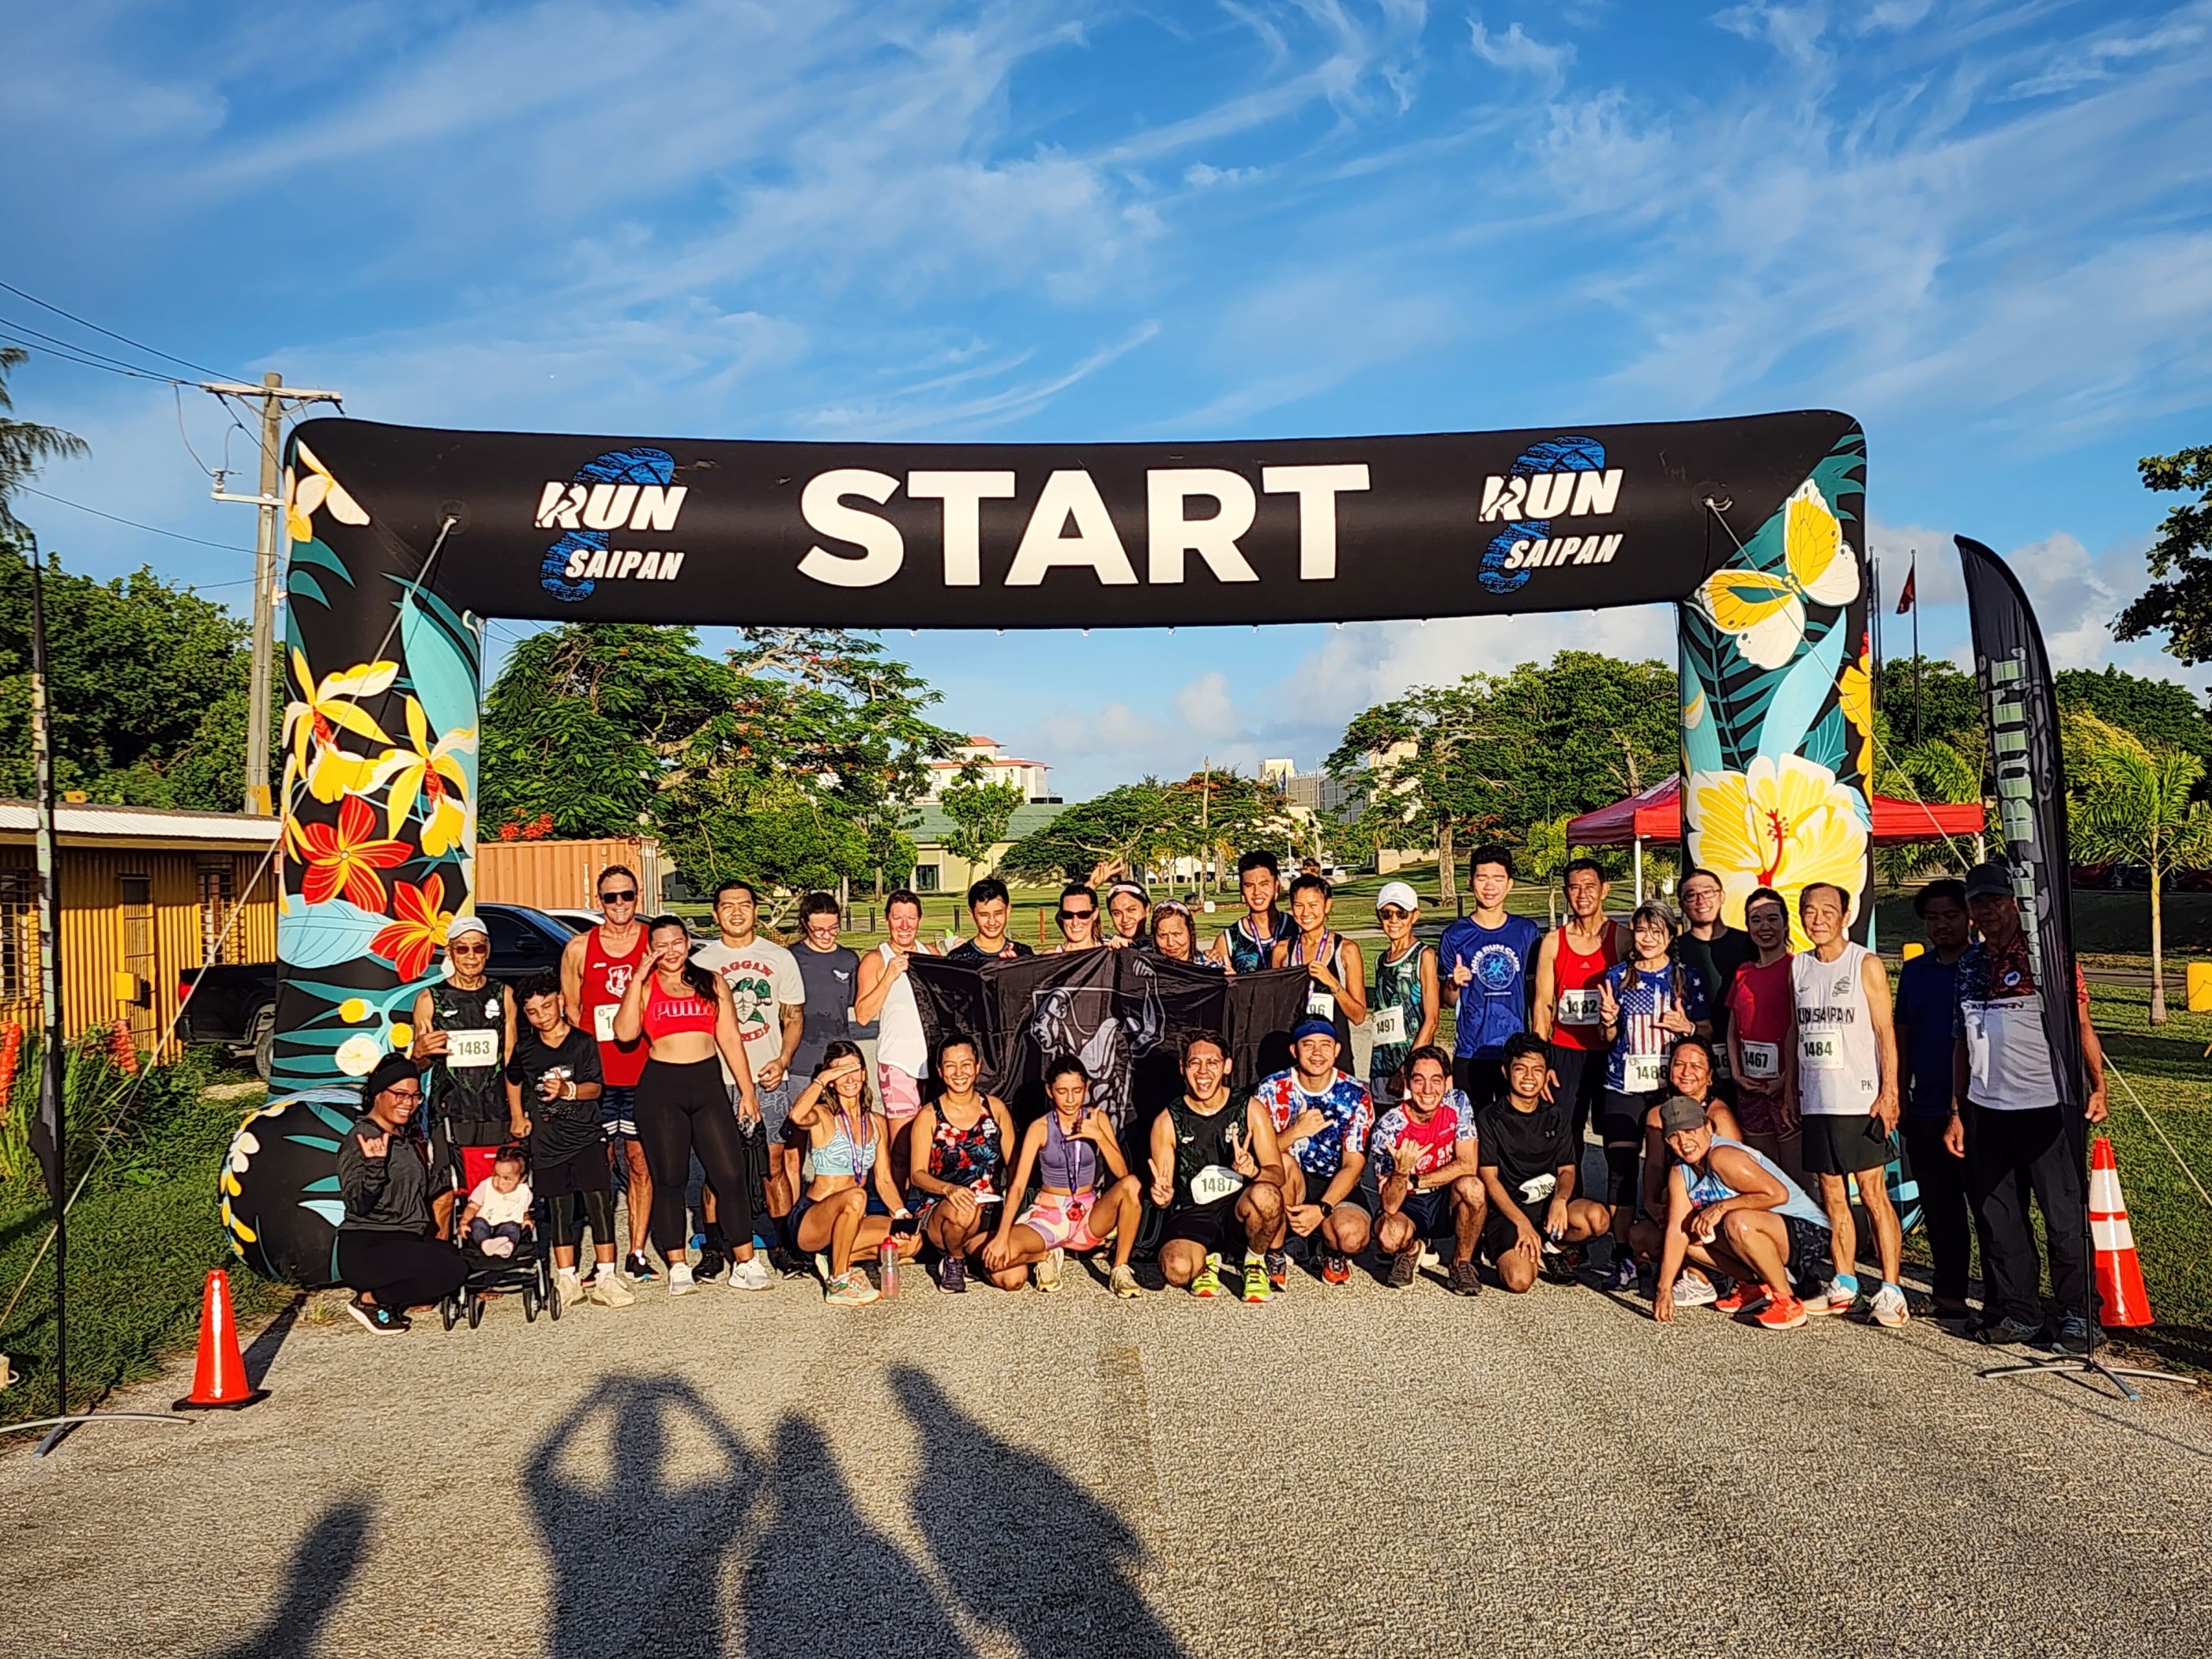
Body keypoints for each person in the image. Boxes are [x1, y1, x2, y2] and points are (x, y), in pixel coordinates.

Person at [1947, 861, 2109, 1352]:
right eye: (1978, 903)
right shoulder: (1970, 963)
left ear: (2014, 903)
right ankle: (2019, 1312)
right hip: (1986, 1107)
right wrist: (1958, 1110)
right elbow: (1962, 1040)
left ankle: (2080, 1316)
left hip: (2047, 1104)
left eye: (1996, 901)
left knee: (2063, 1217)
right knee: (2000, 1219)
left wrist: (2096, 1085)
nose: (1987, 911)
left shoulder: (2050, 958)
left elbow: (2081, 1026)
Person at [611, 914, 774, 1295]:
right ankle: (678, 1264)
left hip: (707, 1084)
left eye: (677, 943)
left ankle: (745, 1261)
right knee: (671, 1179)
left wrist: (747, 1092)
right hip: (662, 1088)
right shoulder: (647, 985)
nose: (670, 951)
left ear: (688, 943)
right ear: (651, 948)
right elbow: (625, 1033)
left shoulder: (710, 981)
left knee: (730, 1174)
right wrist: (637, 977)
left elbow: (730, 1038)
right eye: (661, 945)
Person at [1788, 881, 1907, 1326]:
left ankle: (1892, 1289)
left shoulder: (1865, 964)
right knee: (1832, 1194)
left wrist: (1889, 1091)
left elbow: (1884, 1032)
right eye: (1808, 912)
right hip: (1818, 1099)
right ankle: (1846, 1281)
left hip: (1860, 1099)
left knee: (1873, 1194)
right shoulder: (1798, 967)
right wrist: (1789, 1086)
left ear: (1845, 914)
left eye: (1826, 911)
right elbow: (1797, 1031)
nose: (1816, 920)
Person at [1593, 901, 1710, 1290]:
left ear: (1671, 936)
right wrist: (1607, 1022)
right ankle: (1623, 1254)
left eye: (1657, 932)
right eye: (1641, 931)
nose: (1648, 939)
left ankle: (1673, 1252)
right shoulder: (1616, 977)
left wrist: (1688, 1025)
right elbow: (1605, 1039)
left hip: (1667, 1090)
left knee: (1666, 1170)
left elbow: (1707, 1030)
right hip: (1622, 1086)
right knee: (1621, 1170)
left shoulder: (1684, 978)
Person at [691, 879, 805, 1268]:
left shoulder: (779, 958)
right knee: (717, 1167)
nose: (737, 912)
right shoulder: (701, 962)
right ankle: (713, 1246)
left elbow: (793, 1016)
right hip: (716, 1080)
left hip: (767, 1077)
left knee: (773, 1164)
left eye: (744, 904)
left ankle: (783, 1244)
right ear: (715, 913)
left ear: (756, 910)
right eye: (727, 905)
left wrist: (783, 1059)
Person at [1650, 1095, 1833, 1332]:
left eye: (1690, 1131)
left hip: (1806, 1230)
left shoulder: (1722, 1155)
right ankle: (1755, 1286)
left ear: (1707, 1126)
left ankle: (1787, 1301)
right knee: (1689, 1234)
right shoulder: (1680, 1171)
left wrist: (1722, 1207)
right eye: (1675, 1136)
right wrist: (1664, 1290)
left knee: (1737, 1221)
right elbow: (1677, 1231)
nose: (1684, 1142)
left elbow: (1778, 1195)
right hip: (1763, 1232)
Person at [506, 969, 632, 1311]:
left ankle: (607, 1276)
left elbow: (596, 1088)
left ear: (560, 1001)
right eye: (533, 1012)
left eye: (547, 1007)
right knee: (558, 1210)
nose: (542, 1016)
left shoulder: (582, 1042)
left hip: (586, 1136)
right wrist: (518, 1115)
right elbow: (513, 1077)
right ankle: (567, 1278)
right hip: (547, 1141)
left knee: (598, 1205)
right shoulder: (527, 1048)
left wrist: (568, 1090)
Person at [560, 863, 656, 1280]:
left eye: (627, 895)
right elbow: (570, 1010)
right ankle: (603, 1260)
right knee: (599, 1164)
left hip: (643, 1070)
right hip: (596, 1076)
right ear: (599, 902)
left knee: (640, 1162)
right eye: (611, 897)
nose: (620, 904)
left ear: (638, 897)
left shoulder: (653, 943)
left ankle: (637, 1252)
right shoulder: (579, 948)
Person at [984, 1056, 1146, 1296]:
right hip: (1050, 1216)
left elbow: (1123, 1175)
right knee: (1000, 1270)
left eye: (1077, 1091)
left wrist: (1098, 1136)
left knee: (1132, 1184)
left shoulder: (1097, 1119)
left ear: (1087, 1088)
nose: (1070, 1099)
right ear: (1050, 1091)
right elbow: (1017, 1186)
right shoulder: (1039, 1128)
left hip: (1089, 1215)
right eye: (1062, 1091)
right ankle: (1047, 1254)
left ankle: (1120, 1268)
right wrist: (1002, 1235)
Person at [1149, 1029, 1285, 1302]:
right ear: (1182, 1068)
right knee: (1175, 1269)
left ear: (1227, 1066)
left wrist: (1254, 1172)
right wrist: (1161, 1198)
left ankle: (1255, 1261)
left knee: (1268, 1196)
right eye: (1194, 1063)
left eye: (1212, 1063)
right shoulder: (1168, 1120)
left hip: (1239, 1210)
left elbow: (1278, 1174)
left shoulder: (1250, 1109)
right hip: (1193, 1213)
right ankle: (1207, 1259)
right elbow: (1163, 1193)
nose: (1203, 1071)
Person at [336, 1055, 466, 1334]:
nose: (408, 1103)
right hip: (368, 1246)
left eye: (415, 1096)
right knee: (452, 1269)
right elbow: (357, 1203)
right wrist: (374, 1167)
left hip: (403, 1239)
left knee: (454, 1255)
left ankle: (387, 1302)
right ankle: (370, 1300)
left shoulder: (405, 1137)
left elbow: (415, 1189)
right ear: (378, 1095)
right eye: (400, 1095)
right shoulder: (363, 1138)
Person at [1895, 878, 1974, 1320]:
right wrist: (1899, 1092)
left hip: (1977, 1108)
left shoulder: (1982, 967)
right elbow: (1902, 1034)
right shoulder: (1916, 971)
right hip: (1924, 1105)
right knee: (1940, 1206)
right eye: (1933, 918)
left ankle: (2006, 1298)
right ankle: (1949, 1294)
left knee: (1989, 1207)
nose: (1941, 925)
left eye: (1950, 916)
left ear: (1968, 918)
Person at [1477, 1034, 1612, 1293]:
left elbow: (1567, 1170)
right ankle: (1502, 1247)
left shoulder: (1556, 1116)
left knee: (1598, 1219)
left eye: (1537, 1070)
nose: (1529, 1076)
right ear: (1506, 1072)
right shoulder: (1490, 1117)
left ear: (1547, 1074)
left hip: (1548, 1208)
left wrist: (1561, 1199)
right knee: (1519, 1280)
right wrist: (1523, 1224)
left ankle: (1551, 1249)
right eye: (1521, 1069)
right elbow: (1489, 1179)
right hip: (1510, 1211)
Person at [785, 1043, 916, 1307]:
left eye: (854, 1069)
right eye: (840, 1071)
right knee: (857, 1196)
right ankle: (839, 1280)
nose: (849, 1078)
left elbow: (884, 1179)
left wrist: (902, 1214)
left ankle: (833, 1258)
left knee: (911, 1242)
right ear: (831, 1080)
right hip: (814, 1216)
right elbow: (797, 1116)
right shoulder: (823, 1115)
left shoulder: (876, 1122)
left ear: (865, 1073)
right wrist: (822, 1079)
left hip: (852, 1217)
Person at [408, 913, 515, 1228]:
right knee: (444, 1191)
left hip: (496, 1108)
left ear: (488, 950)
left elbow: (511, 1058)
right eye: (463, 949)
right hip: (450, 1109)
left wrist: (519, 1111)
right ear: (450, 953)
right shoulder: (430, 999)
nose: (471, 957)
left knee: (502, 1185)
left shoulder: (503, 994)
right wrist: (419, 1053)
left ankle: (498, 1252)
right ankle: (443, 1264)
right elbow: (419, 1063)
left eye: (478, 949)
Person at [1251, 1018, 1374, 1285]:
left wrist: (1322, 1209)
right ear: (1294, 1051)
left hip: (1334, 1181)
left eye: (1325, 1045)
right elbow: (1260, 1155)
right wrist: (1295, 1132)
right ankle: (1275, 1251)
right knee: (1281, 1162)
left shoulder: (1355, 1094)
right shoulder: (1271, 1089)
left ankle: (1329, 1248)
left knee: (1352, 1236)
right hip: (1291, 1180)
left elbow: (1353, 1165)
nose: (1317, 1053)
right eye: (1308, 1045)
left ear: (1337, 1050)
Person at [1626, 1036, 1744, 1304]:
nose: (1687, 1072)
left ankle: (1713, 1274)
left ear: (1710, 1076)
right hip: (1675, 1200)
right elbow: (1654, 1164)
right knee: (1641, 1237)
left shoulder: (1718, 1116)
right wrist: (1651, 1204)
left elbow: (1736, 1177)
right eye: (1679, 1064)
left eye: (1696, 1066)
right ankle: (1688, 1270)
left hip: (1717, 1207)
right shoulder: (1657, 1114)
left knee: (1681, 1212)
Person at [1370, 1046, 1485, 1293]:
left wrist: (1416, 1180)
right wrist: (1401, 1174)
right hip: (1407, 1204)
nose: (1428, 1090)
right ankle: (1410, 1249)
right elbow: (1389, 1205)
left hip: (1445, 1198)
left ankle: (1461, 1263)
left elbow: (1468, 1164)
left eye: (1436, 1080)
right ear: (1407, 1083)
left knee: (1473, 1188)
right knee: (1389, 1236)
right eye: (1418, 1080)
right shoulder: (1389, 1126)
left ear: (1448, 1081)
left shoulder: (1458, 1103)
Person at [908, 1034, 1017, 1292]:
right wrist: (949, 1190)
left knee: (1013, 1280)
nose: (959, 1072)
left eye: (966, 1064)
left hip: (989, 1209)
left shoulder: (995, 1108)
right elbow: (917, 1174)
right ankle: (954, 1258)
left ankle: (974, 1256)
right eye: (950, 1065)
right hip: (943, 1211)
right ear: (939, 1071)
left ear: (978, 1066)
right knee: (965, 1208)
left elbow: (1015, 1165)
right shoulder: (928, 1116)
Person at [1438, 846, 1544, 1104]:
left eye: (1498, 879)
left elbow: (1536, 996)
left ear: (1510, 884)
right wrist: (1454, 983)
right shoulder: (1455, 935)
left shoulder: (1526, 932)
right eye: (1482, 878)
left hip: (1514, 1052)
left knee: (1514, 1127)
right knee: (1473, 1129)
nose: (1489, 886)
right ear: (1470, 882)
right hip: (1471, 1051)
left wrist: (1537, 1047)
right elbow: (1447, 1001)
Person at [1531, 858, 1623, 1149]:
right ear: (1566, 893)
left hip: (1609, 1049)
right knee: (1567, 1133)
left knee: (1614, 1133)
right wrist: (1539, 1059)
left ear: (1604, 890)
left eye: (1589, 887)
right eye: (1574, 888)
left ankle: (1616, 1195)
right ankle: (1572, 1194)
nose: (1582, 895)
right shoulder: (1553, 942)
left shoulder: (1623, 939)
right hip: (1565, 1051)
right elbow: (1543, 1003)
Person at [854, 889, 937, 1179]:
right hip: (898, 1063)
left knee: (934, 1142)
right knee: (901, 1146)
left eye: (911, 918)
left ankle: (929, 1205)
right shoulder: (876, 959)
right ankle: (899, 1211)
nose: (904, 925)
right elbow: (863, 1014)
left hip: (935, 1064)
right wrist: (889, 976)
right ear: (887, 920)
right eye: (897, 918)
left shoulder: (931, 954)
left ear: (920, 920)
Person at [1725, 886, 1801, 1186]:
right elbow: (1733, 1028)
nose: (1764, 927)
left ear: (1785, 923)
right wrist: (1736, 1073)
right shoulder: (1743, 972)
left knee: (1796, 1177)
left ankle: (1804, 1231)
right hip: (1750, 1088)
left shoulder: (1797, 968)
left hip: (1786, 1088)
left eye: (1772, 919)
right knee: (1765, 1177)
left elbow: (1800, 1026)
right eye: (1756, 920)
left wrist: (1785, 1079)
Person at [1676, 867, 1756, 1100]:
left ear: (1722, 896)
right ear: (1682, 904)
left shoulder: (1749, 944)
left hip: (1745, 1054)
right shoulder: (1673, 950)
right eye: (1691, 895)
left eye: (1708, 892)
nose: (1701, 900)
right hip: (1692, 1060)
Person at [1271, 872, 1366, 1060]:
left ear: (1327, 905)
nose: (1306, 913)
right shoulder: (1282, 951)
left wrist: (1332, 983)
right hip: (1295, 1054)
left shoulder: (1346, 950)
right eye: (1299, 906)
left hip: (1335, 1055)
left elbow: (1358, 1016)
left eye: (1313, 905)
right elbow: (1274, 1007)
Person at [1367, 881, 1438, 1108]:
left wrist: (1408, 1069)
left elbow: (1432, 1020)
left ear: (1415, 916)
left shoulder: (1423, 955)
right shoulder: (1380, 960)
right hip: (1381, 1063)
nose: (1394, 921)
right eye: (1387, 914)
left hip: (1411, 1067)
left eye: (1402, 913)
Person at [1209, 851, 1292, 973]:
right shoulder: (1228, 940)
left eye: (1264, 884)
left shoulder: (1297, 929)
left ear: (1277, 887)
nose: (1257, 892)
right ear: (1241, 889)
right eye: (1249, 885)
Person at [458, 1146, 534, 1257]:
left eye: (507, 1179)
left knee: (513, 1228)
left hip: (507, 1224)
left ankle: (506, 1247)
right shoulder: (486, 1186)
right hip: (485, 1222)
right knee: (478, 1225)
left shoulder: (523, 1192)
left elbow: (523, 1212)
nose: (500, 1182)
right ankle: (486, 1244)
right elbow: (473, 1206)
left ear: (522, 1179)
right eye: (496, 1176)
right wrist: (464, 1223)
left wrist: (527, 1220)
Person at [947, 876, 1035, 964]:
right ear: (972, 914)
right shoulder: (959, 959)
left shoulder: (1024, 955)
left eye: (998, 913)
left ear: (1008, 911)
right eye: (984, 915)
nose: (992, 922)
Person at [1149, 900, 1214, 966]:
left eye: (1177, 934)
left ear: (1190, 932)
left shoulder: (1210, 967)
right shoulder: (1146, 968)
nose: (1171, 943)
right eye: (1163, 935)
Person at [1050, 882, 1104, 953]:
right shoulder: (1049, 958)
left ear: (1095, 914)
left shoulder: (1111, 953)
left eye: (1083, 915)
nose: (1075, 923)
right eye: (1068, 915)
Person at [1104, 880, 1152, 949]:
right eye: (1117, 913)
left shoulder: (1164, 946)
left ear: (1147, 909)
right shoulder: (1106, 948)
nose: (1125, 920)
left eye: (1131, 910)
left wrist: (1131, 946)